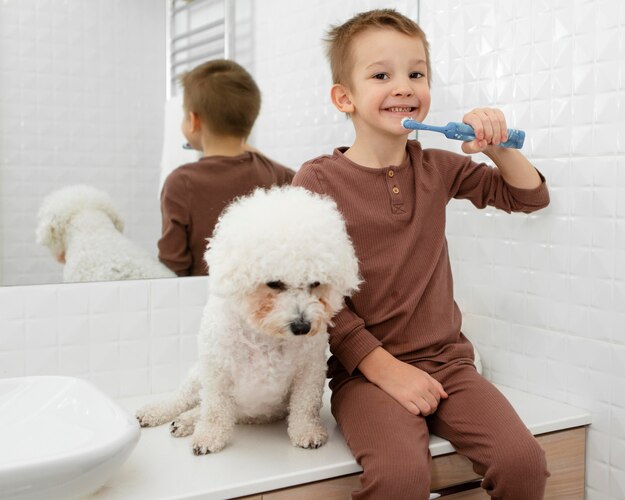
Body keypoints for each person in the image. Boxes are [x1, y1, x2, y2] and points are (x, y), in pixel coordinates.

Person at [292, 9, 550, 499]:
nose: (404, 86)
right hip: (364, 375)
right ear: (343, 97)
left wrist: (494, 147)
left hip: (450, 364)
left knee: (523, 462)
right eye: (381, 75)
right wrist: (382, 367)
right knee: (399, 479)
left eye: (416, 73)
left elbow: (529, 196)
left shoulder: (440, 167)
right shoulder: (317, 181)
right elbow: (312, 293)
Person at [159, 59, 294, 276]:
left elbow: (172, 265)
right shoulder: (279, 175)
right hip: (264, 304)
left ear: (193, 122)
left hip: (203, 302)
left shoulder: (180, 182)